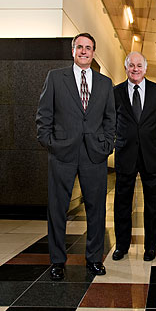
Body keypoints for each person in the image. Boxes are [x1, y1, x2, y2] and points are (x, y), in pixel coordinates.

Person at [36, 33, 115, 280]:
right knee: (58, 209)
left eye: (88, 47)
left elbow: (111, 118)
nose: (84, 51)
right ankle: (57, 261)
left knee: (96, 209)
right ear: (73, 51)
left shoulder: (104, 83)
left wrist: (107, 145)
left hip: (95, 155)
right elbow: (44, 114)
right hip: (62, 153)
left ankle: (94, 259)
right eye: (79, 47)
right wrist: (50, 143)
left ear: (93, 52)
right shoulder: (55, 78)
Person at [112, 52, 156, 262]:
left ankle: (151, 247)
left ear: (145, 68)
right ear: (126, 68)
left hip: (150, 154)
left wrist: (144, 136)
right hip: (125, 153)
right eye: (131, 65)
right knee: (122, 203)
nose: (135, 69)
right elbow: (113, 120)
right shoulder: (115, 92)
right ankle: (122, 246)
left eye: (139, 65)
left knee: (153, 203)